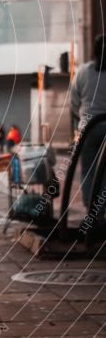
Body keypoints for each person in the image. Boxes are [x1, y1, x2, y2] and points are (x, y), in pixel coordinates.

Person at [70, 34, 106, 208]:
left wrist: (83, 117)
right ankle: (101, 210)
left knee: (88, 171)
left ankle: (91, 211)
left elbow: (74, 103)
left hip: (88, 129)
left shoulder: (83, 72)